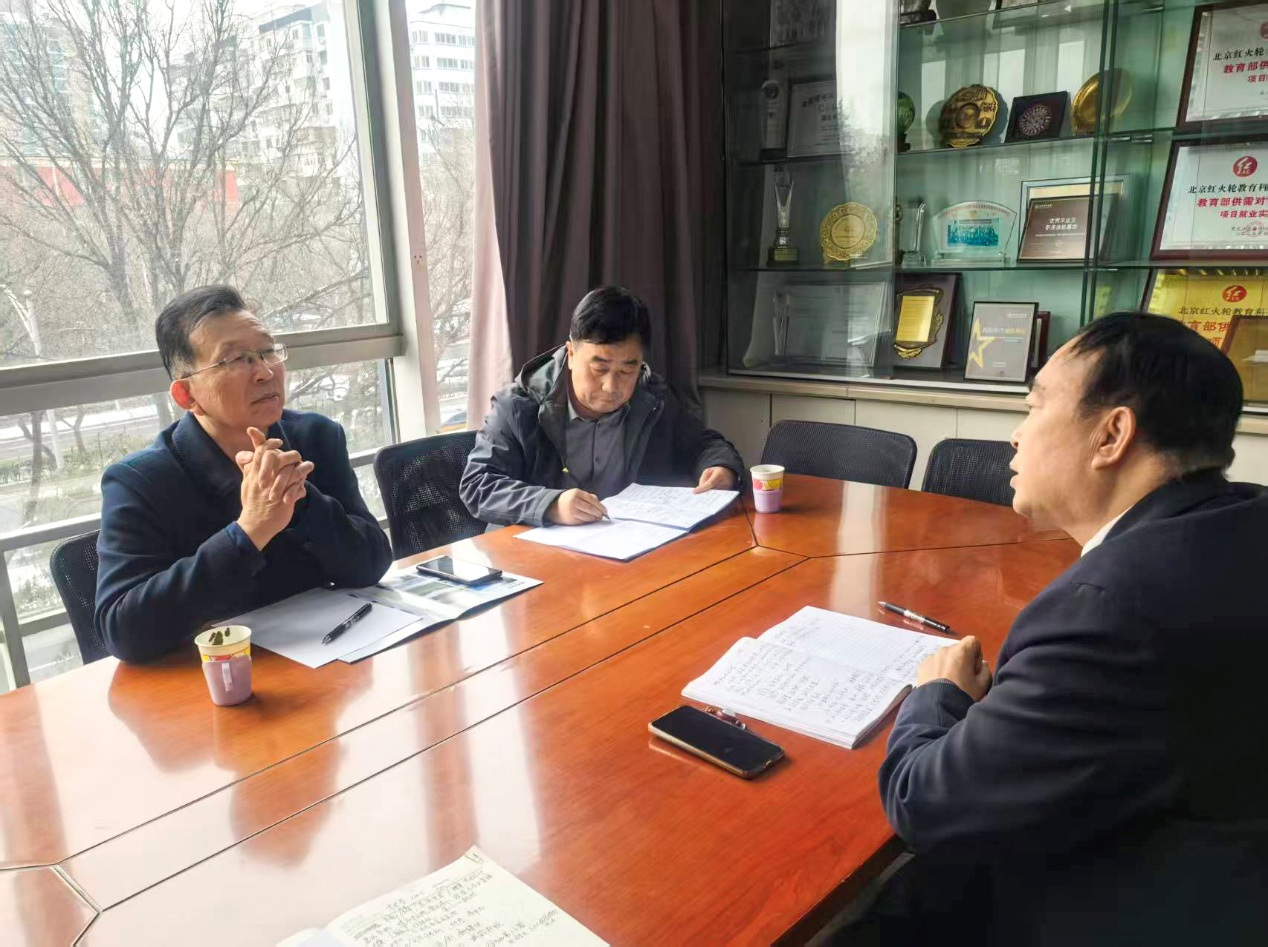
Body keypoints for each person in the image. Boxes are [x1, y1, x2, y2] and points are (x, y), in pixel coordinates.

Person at [858, 313, 1268, 945]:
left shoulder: (1108, 612)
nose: (1016, 435)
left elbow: (924, 806)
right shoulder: (1241, 519)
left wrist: (936, 694)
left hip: (1128, 902)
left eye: (1035, 406)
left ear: (1112, 435)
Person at [95, 285, 392, 663]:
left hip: (333, 658)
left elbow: (371, 563)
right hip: (219, 679)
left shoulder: (316, 437)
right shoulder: (140, 481)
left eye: (267, 351)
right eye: (236, 360)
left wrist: (298, 497)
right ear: (187, 396)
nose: (265, 372)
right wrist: (249, 532)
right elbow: (123, 630)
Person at [460, 286, 743, 527]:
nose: (611, 386)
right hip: (532, 557)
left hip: (625, 550)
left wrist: (720, 467)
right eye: (599, 368)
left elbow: (702, 443)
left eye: (626, 370)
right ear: (571, 353)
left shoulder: (651, 398)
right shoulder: (518, 406)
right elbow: (478, 484)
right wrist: (550, 505)